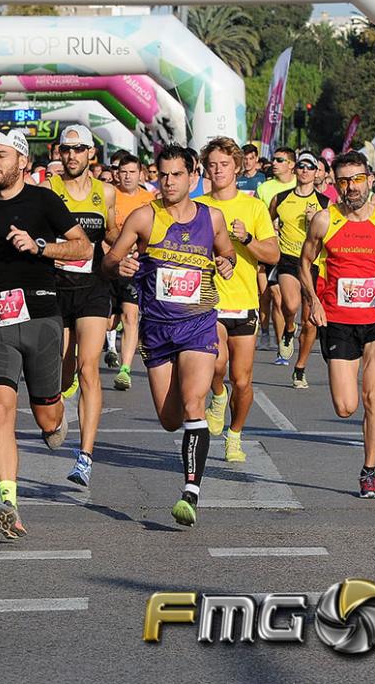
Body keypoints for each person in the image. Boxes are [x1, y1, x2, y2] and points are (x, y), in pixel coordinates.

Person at [102, 145, 236, 527]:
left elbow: (227, 252)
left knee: (194, 403)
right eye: (163, 175)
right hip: (157, 330)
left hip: (198, 323)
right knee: (169, 419)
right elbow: (110, 261)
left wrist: (226, 262)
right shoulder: (144, 217)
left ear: (193, 177)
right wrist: (121, 265)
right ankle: (192, 434)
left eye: (177, 175)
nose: (170, 182)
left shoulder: (212, 218)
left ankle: (190, 492)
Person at [0, 129, 89, 538]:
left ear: (21, 160)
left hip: (41, 317)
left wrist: (40, 247)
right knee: (0, 411)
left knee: (46, 418)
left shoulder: (44, 200)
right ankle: (8, 501)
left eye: (1, 155)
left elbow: (82, 248)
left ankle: (56, 421)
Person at [299, 151, 375, 499]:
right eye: (343, 181)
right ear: (335, 184)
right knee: (345, 406)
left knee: (373, 395)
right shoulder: (324, 220)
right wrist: (314, 301)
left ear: (370, 179)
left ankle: (369, 471)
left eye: (356, 179)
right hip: (338, 321)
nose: (350, 188)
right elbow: (305, 264)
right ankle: (367, 464)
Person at [196, 138, 280, 462]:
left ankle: (235, 434)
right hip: (209, 300)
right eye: (212, 165)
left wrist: (246, 238)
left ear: (236, 167)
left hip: (245, 302)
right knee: (216, 363)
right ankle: (217, 395)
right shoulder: (198, 206)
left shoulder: (254, 207)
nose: (218, 170)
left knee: (242, 380)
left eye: (224, 164)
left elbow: (273, 254)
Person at [42, 124, 116, 487]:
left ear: (91, 154)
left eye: (79, 149)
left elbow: (114, 237)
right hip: (55, 289)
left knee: (89, 368)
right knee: (64, 368)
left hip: (93, 289)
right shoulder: (47, 190)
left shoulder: (107, 193)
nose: (71, 156)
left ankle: (85, 456)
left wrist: (122, 260)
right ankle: (58, 405)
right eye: (66, 150)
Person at [268, 150, 329, 387]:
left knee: (311, 320)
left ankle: (300, 367)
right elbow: (266, 221)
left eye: (310, 167)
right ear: (295, 170)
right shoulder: (281, 198)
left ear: (316, 173)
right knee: (290, 305)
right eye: (301, 166)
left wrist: (317, 220)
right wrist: (271, 235)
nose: (305, 171)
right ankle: (289, 329)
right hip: (288, 259)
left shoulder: (324, 203)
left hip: (313, 263)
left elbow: (331, 234)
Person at [109, 153, 155, 390]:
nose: (127, 177)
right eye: (123, 172)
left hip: (135, 266)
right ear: (117, 174)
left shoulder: (150, 200)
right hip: (108, 265)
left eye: (132, 172)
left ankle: (125, 369)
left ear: (140, 174)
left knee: (131, 316)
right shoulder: (108, 194)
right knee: (107, 323)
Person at [255, 148, 296, 350]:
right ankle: (269, 334)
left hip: (295, 251)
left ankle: (289, 328)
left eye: (280, 160)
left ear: (291, 164)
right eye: (274, 160)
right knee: (270, 295)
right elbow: (257, 216)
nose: (275, 163)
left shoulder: (300, 185)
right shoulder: (264, 189)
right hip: (270, 247)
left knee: (288, 300)